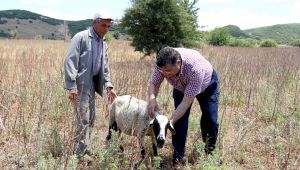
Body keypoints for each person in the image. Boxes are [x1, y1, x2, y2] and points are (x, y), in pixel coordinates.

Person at [148, 47, 219, 167]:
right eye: (162, 71)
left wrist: (168, 121)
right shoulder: (162, 64)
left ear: (178, 63)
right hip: (180, 87)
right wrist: (152, 99)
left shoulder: (195, 69)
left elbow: (186, 103)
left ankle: (209, 153)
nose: (165, 74)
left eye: (168, 71)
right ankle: (178, 160)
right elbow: (154, 83)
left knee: (210, 120)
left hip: (207, 85)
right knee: (180, 122)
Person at [64, 11, 117, 158]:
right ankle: (78, 154)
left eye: (108, 26)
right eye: (103, 25)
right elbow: (70, 60)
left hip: (93, 84)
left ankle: (85, 147)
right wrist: (71, 85)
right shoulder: (81, 37)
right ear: (95, 22)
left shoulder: (103, 43)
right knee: (83, 118)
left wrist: (108, 85)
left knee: (91, 117)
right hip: (80, 85)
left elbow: (105, 66)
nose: (106, 29)